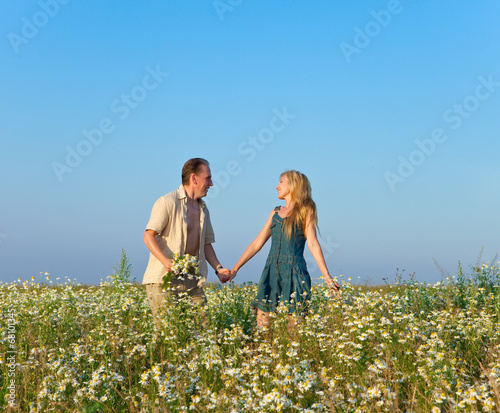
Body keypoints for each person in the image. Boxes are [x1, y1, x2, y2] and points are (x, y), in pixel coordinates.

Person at [229, 170, 340, 327]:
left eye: (281, 182)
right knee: (262, 317)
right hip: (271, 269)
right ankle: (264, 350)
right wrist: (235, 269)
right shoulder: (275, 212)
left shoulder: (306, 210)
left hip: (295, 270)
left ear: (294, 185)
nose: (276, 186)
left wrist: (327, 277)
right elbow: (257, 243)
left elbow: (313, 244)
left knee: (294, 324)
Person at [142, 158, 230, 329]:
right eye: (208, 178)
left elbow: (205, 244)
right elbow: (148, 236)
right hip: (164, 280)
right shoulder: (167, 202)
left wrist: (219, 268)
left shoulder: (203, 209)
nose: (211, 183)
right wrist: (166, 262)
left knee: (204, 327)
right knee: (169, 336)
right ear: (194, 178)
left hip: (191, 280)